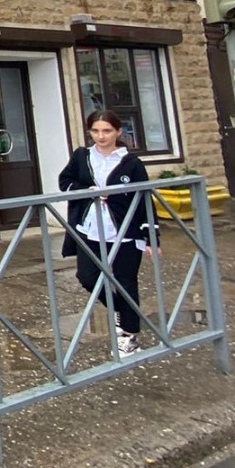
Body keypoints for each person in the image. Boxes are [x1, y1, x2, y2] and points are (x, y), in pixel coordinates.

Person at [58, 110, 153, 357]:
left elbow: (144, 199)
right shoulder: (82, 156)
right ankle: (122, 311)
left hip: (124, 232)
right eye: (96, 131)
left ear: (118, 132)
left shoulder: (131, 163)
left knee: (125, 282)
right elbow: (65, 182)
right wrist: (87, 190)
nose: (101, 136)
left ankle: (129, 336)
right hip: (90, 229)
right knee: (87, 277)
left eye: (107, 131)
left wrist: (151, 237)